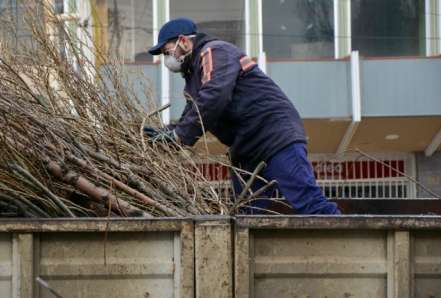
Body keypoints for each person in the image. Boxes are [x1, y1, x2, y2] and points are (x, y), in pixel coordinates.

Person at [144, 17, 341, 215]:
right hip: (247, 151)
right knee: (241, 217)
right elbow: (193, 114)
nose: (166, 60)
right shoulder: (194, 77)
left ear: (184, 41)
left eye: (168, 52)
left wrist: (179, 135)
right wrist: (167, 134)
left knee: (310, 204)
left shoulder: (213, 52)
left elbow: (214, 95)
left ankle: (353, 244)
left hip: (274, 138)